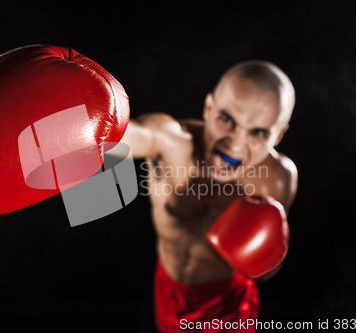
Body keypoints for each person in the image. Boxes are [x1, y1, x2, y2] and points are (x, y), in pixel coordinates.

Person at [119, 61, 297, 332]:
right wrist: (79, 124)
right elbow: (123, 137)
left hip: (226, 305)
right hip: (167, 290)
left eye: (258, 132)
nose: (235, 144)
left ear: (279, 134)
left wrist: (265, 262)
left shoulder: (276, 179)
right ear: (208, 108)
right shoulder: (172, 144)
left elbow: (267, 266)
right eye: (226, 119)